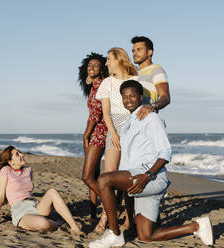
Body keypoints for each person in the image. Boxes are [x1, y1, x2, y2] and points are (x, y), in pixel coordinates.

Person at [89, 80, 214, 248]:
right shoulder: (129, 123)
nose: (128, 100)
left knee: (104, 180)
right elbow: (128, 163)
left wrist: (147, 176)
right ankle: (197, 226)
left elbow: (165, 152)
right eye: (124, 97)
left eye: (132, 95)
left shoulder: (151, 118)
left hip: (151, 178)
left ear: (141, 97)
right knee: (147, 235)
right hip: (138, 180)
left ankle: (114, 234)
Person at [0, 146, 82, 235]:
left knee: (52, 191)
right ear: (10, 162)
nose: (22, 155)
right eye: (17, 154)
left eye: (20, 152)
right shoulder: (6, 170)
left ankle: (74, 226)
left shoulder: (28, 170)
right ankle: (58, 223)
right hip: (20, 210)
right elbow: (0, 197)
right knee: (44, 224)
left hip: (35, 205)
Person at [94, 47, 138, 232]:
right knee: (109, 174)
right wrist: (113, 133)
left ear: (119, 59)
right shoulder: (107, 83)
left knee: (129, 175)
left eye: (108, 59)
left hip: (133, 127)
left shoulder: (136, 81)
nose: (106, 63)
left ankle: (129, 218)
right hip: (114, 128)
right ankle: (106, 217)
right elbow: (105, 113)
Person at [78, 53, 109, 221]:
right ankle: (92, 214)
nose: (92, 68)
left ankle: (111, 204)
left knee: (87, 177)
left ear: (102, 69)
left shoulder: (103, 85)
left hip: (100, 132)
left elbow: (96, 113)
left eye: (96, 66)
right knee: (94, 175)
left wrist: (86, 134)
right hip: (94, 132)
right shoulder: (93, 87)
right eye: (90, 65)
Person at [131, 36, 171, 120]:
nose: (134, 53)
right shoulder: (134, 73)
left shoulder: (156, 69)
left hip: (147, 119)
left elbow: (165, 98)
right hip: (133, 120)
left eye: (139, 50)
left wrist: (151, 106)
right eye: (133, 50)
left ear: (149, 52)